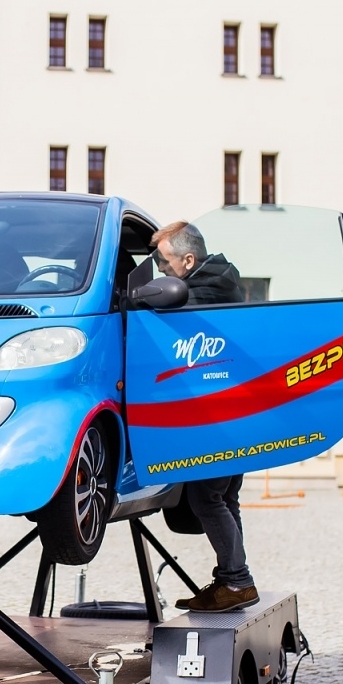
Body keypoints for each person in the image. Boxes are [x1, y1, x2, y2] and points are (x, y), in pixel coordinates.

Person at [150, 221, 259, 612]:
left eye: (164, 263)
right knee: (224, 497)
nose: (161, 272)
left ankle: (237, 581)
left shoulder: (203, 292)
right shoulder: (220, 281)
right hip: (232, 413)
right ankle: (233, 579)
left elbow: (168, 316)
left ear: (188, 260)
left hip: (217, 417)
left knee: (206, 497)